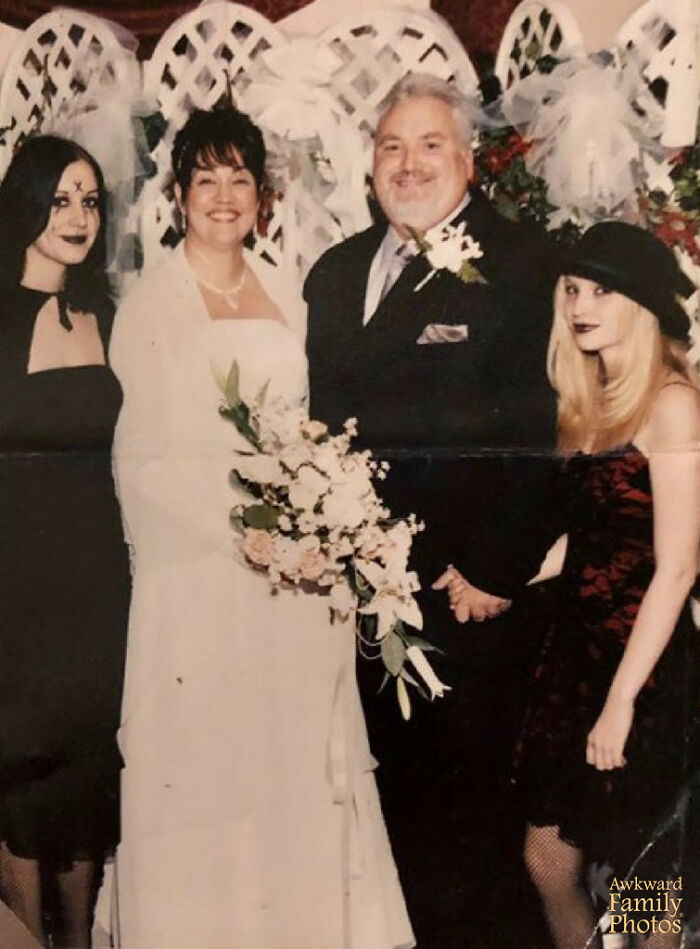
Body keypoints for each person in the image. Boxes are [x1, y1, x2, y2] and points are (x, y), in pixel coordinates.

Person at [111, 106, 414, 949]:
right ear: (178, 195)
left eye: (239, 179)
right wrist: (246, 531)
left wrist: (321, 521)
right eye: (205, 179)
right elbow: (142, 463)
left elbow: (305, 428)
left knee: (290, 762)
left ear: (262, 196)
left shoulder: (287, 288)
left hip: (296, 579)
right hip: (203, 580)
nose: (223, 196)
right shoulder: (150, 305)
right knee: (213, 769)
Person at [305, 73, 558, 945]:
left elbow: (549, 427)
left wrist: (495, 565)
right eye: (391, 146)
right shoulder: (335, 274)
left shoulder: (521, 263)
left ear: (470, 159)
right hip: (361, 607)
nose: (407, 165)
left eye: (429, 145)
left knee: (478, 841)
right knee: (396, 831)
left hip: (466, 601)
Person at [447, 222, 700, 948]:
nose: (581, 306)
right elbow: (592, 535)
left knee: (645, 888)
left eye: (602, 292)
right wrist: (494, 579)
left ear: (644, 304)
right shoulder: (591, 399)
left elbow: (677, 567)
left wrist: (622, 702)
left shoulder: (673, 403)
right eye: (572, 289)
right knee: (549, 859)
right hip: (575, 659)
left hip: (644, 670)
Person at [0, 135, 130, 948]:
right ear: (26, 204)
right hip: (16, 581)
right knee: (20, 770)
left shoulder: (105, 316)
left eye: (89, 201)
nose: (78, 217)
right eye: (59, 200)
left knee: (85, 767)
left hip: (96, 577)